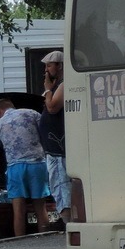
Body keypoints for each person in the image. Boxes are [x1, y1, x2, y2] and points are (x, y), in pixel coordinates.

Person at [0, 98, 50, 236]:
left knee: (19, 210)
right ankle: (44, 239)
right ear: (12, 106)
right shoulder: (32, 113)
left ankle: (20, 243)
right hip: (38, 164)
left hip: (16, 168)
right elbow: (46, 134)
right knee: (40, 207)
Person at [39, 50, 71, 226]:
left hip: (58, 149)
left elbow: (52, 107)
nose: (46, 70)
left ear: (59, 66)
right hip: (53, 148)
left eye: (49, 65)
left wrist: (47, 90)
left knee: (61, 185)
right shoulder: (58, 85)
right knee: (58, 184)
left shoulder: (64, 85)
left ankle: (67, 221)